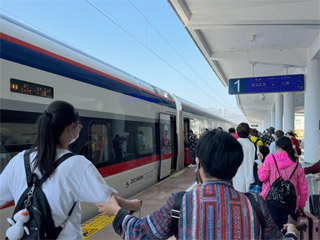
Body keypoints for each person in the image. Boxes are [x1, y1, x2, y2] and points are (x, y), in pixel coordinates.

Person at [96, 131, 300, 240]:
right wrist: (291, 232)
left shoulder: (179, 204)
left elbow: (140, 233)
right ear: (235, 167)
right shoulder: (256, 204)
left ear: (199, 164)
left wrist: (117, 211)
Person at [0, 101, 141, 239]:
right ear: (71, 127)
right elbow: (107, 200)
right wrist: (133, 204)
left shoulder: (18, 160)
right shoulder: (78, 164)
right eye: (78, 126)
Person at [258, 136, 308, 230]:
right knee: (285, 227)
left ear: (277, 147)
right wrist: (301, 204)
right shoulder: (296, 163)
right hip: (289, 201)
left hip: (271, 199)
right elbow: (303, 186)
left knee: (272, 228)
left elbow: (262, 177)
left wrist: (260, 168)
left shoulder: (270, 158)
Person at [233, 122, 256, 192]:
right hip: (250, 176)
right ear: (249, 132)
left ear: (237, 132)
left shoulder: (234, 144)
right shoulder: (252, 145)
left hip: (236, 177)